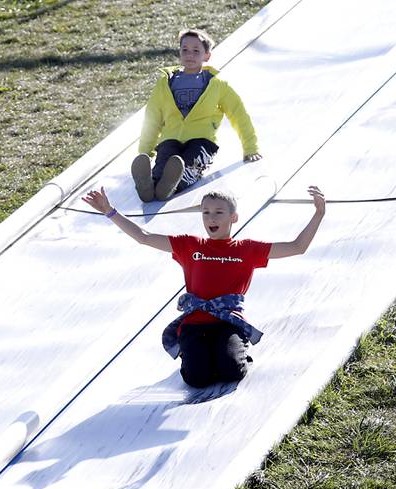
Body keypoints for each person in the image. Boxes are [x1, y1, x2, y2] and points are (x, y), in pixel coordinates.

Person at [82, 185, 326, 388]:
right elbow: (144, 237)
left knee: (232, 371)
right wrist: (110, 211)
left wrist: (318, 214)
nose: (211, 218)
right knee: (197, 379)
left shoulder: (247, 249)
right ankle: (200, 353)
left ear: (233, 218)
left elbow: (297, 246)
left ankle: (233, 348)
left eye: (219, 212)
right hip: (195, 323)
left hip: (227, 322)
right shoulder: (191, 245)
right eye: (206, 212)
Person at [132, 28, 262, 203]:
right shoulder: (165, 83)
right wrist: (145, 152)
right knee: (163, 162)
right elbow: (152, 118)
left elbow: (239, 115)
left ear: (207, 55)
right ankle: (149, 184)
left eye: (196, 51)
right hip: (170, 138)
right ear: (179, 52)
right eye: (184, 50)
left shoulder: (217, 85)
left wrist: (250, 148)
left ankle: (171, 187)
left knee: (189, 164)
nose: (189, 55)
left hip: (202, 140)